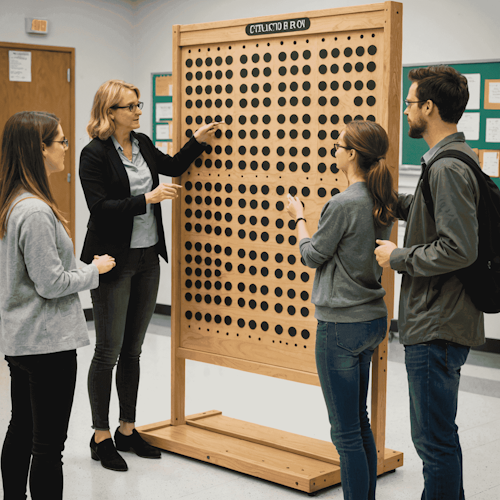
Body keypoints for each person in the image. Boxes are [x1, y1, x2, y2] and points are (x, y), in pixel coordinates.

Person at [80, 79, 222, 472]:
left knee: (133, 350)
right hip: (113, 260)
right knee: (107, 351)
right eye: (131, 106)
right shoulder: (93, 154)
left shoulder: (141, 143)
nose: (139, 111)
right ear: (110, 112)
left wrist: (196, 140)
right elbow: (100, 207)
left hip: (147, 258)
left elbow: (173, 166)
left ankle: (127, 429)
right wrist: (148, 199)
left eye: (140, 105)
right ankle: (100, 436)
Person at [375, 65, 485, 500]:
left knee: (433, 442)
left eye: (409, 102)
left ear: (429, 107)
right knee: (437, 438)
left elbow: (460, 248)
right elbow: (432, 215)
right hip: (439, 319)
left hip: (437, 324)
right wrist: (386, 199)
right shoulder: (448, 160)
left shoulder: (447, 169)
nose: (405, 111)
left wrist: (397, 256)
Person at [0, 111, 115, 500]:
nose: (66, 148)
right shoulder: (33, 211)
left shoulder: (12, 202)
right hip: (46, 343)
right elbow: (50, 283)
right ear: (40, 149)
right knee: (48, 448)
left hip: (23, 340)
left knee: (21, 428)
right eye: (61, 142)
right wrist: (93, 270)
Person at [287, 120, 398, 500]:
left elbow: (312, 255)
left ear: (352, 154)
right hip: (372, 320)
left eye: (338, 145)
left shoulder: (343, 202)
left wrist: (299, 218)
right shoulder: (382, 198)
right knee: (359, 424)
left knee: (345, 433)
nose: (334, 151)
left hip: (340, 327)